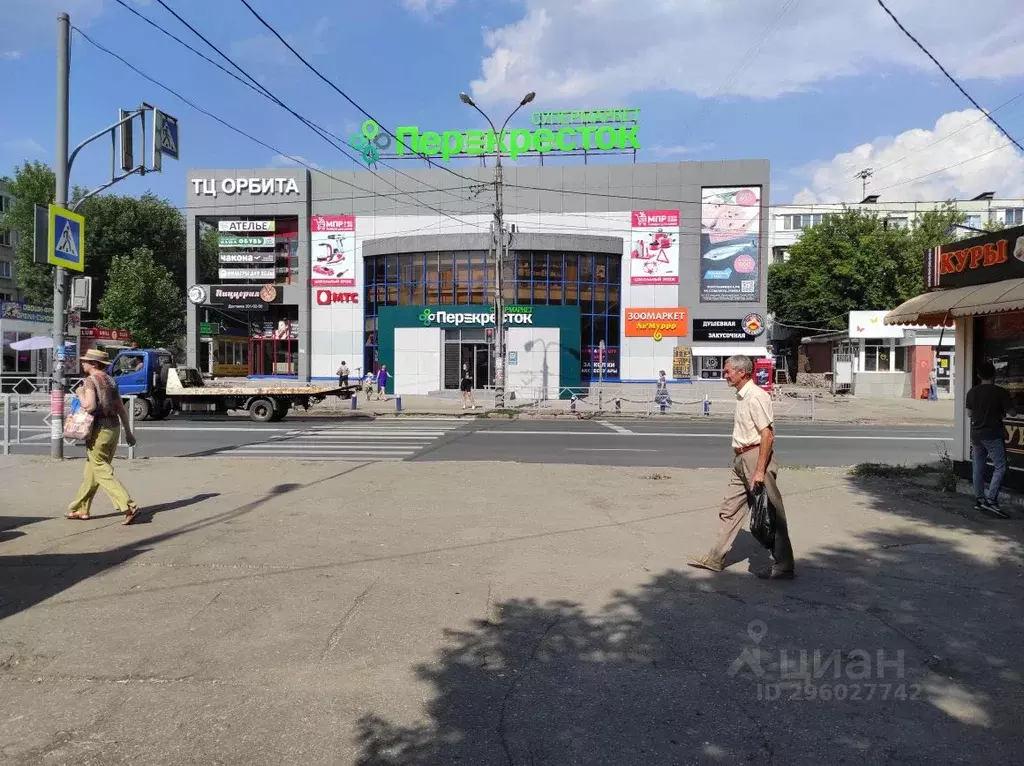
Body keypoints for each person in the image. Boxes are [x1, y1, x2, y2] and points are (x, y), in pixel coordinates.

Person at [688, 354, 795, 579]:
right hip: (741, 458)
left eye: (728, 371)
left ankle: (784, 564)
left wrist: (759, 470)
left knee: (770, 511)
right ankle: (716, 558)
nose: (724, 375)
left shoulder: (756, 396)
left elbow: (767, 435)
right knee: (729, 509)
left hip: (756, 458)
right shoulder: (742, 396)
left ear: (742, 373)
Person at [65, 349, 140, 525]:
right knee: (92, 471)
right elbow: (121, 408)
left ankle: (128, 506)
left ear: (94, 364)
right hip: (113, 428)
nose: (82, 363)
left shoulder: (90, 381)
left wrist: (80, 393)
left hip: (98, 430)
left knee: (101, 469)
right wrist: (128, 433)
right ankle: (80, 509)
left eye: (85, 361)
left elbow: (89, 407)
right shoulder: (111, 380)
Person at [966, 361, 1014, 516]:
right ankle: (991, 500)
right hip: (992, 434)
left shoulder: (972, 392)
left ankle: (979, 500)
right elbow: (1012, 413)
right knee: (1000, 466)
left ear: (979, 375)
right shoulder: (1000, 392)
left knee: (978, 468)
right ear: (994, 374)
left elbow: (969, 414)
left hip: (976, 434)